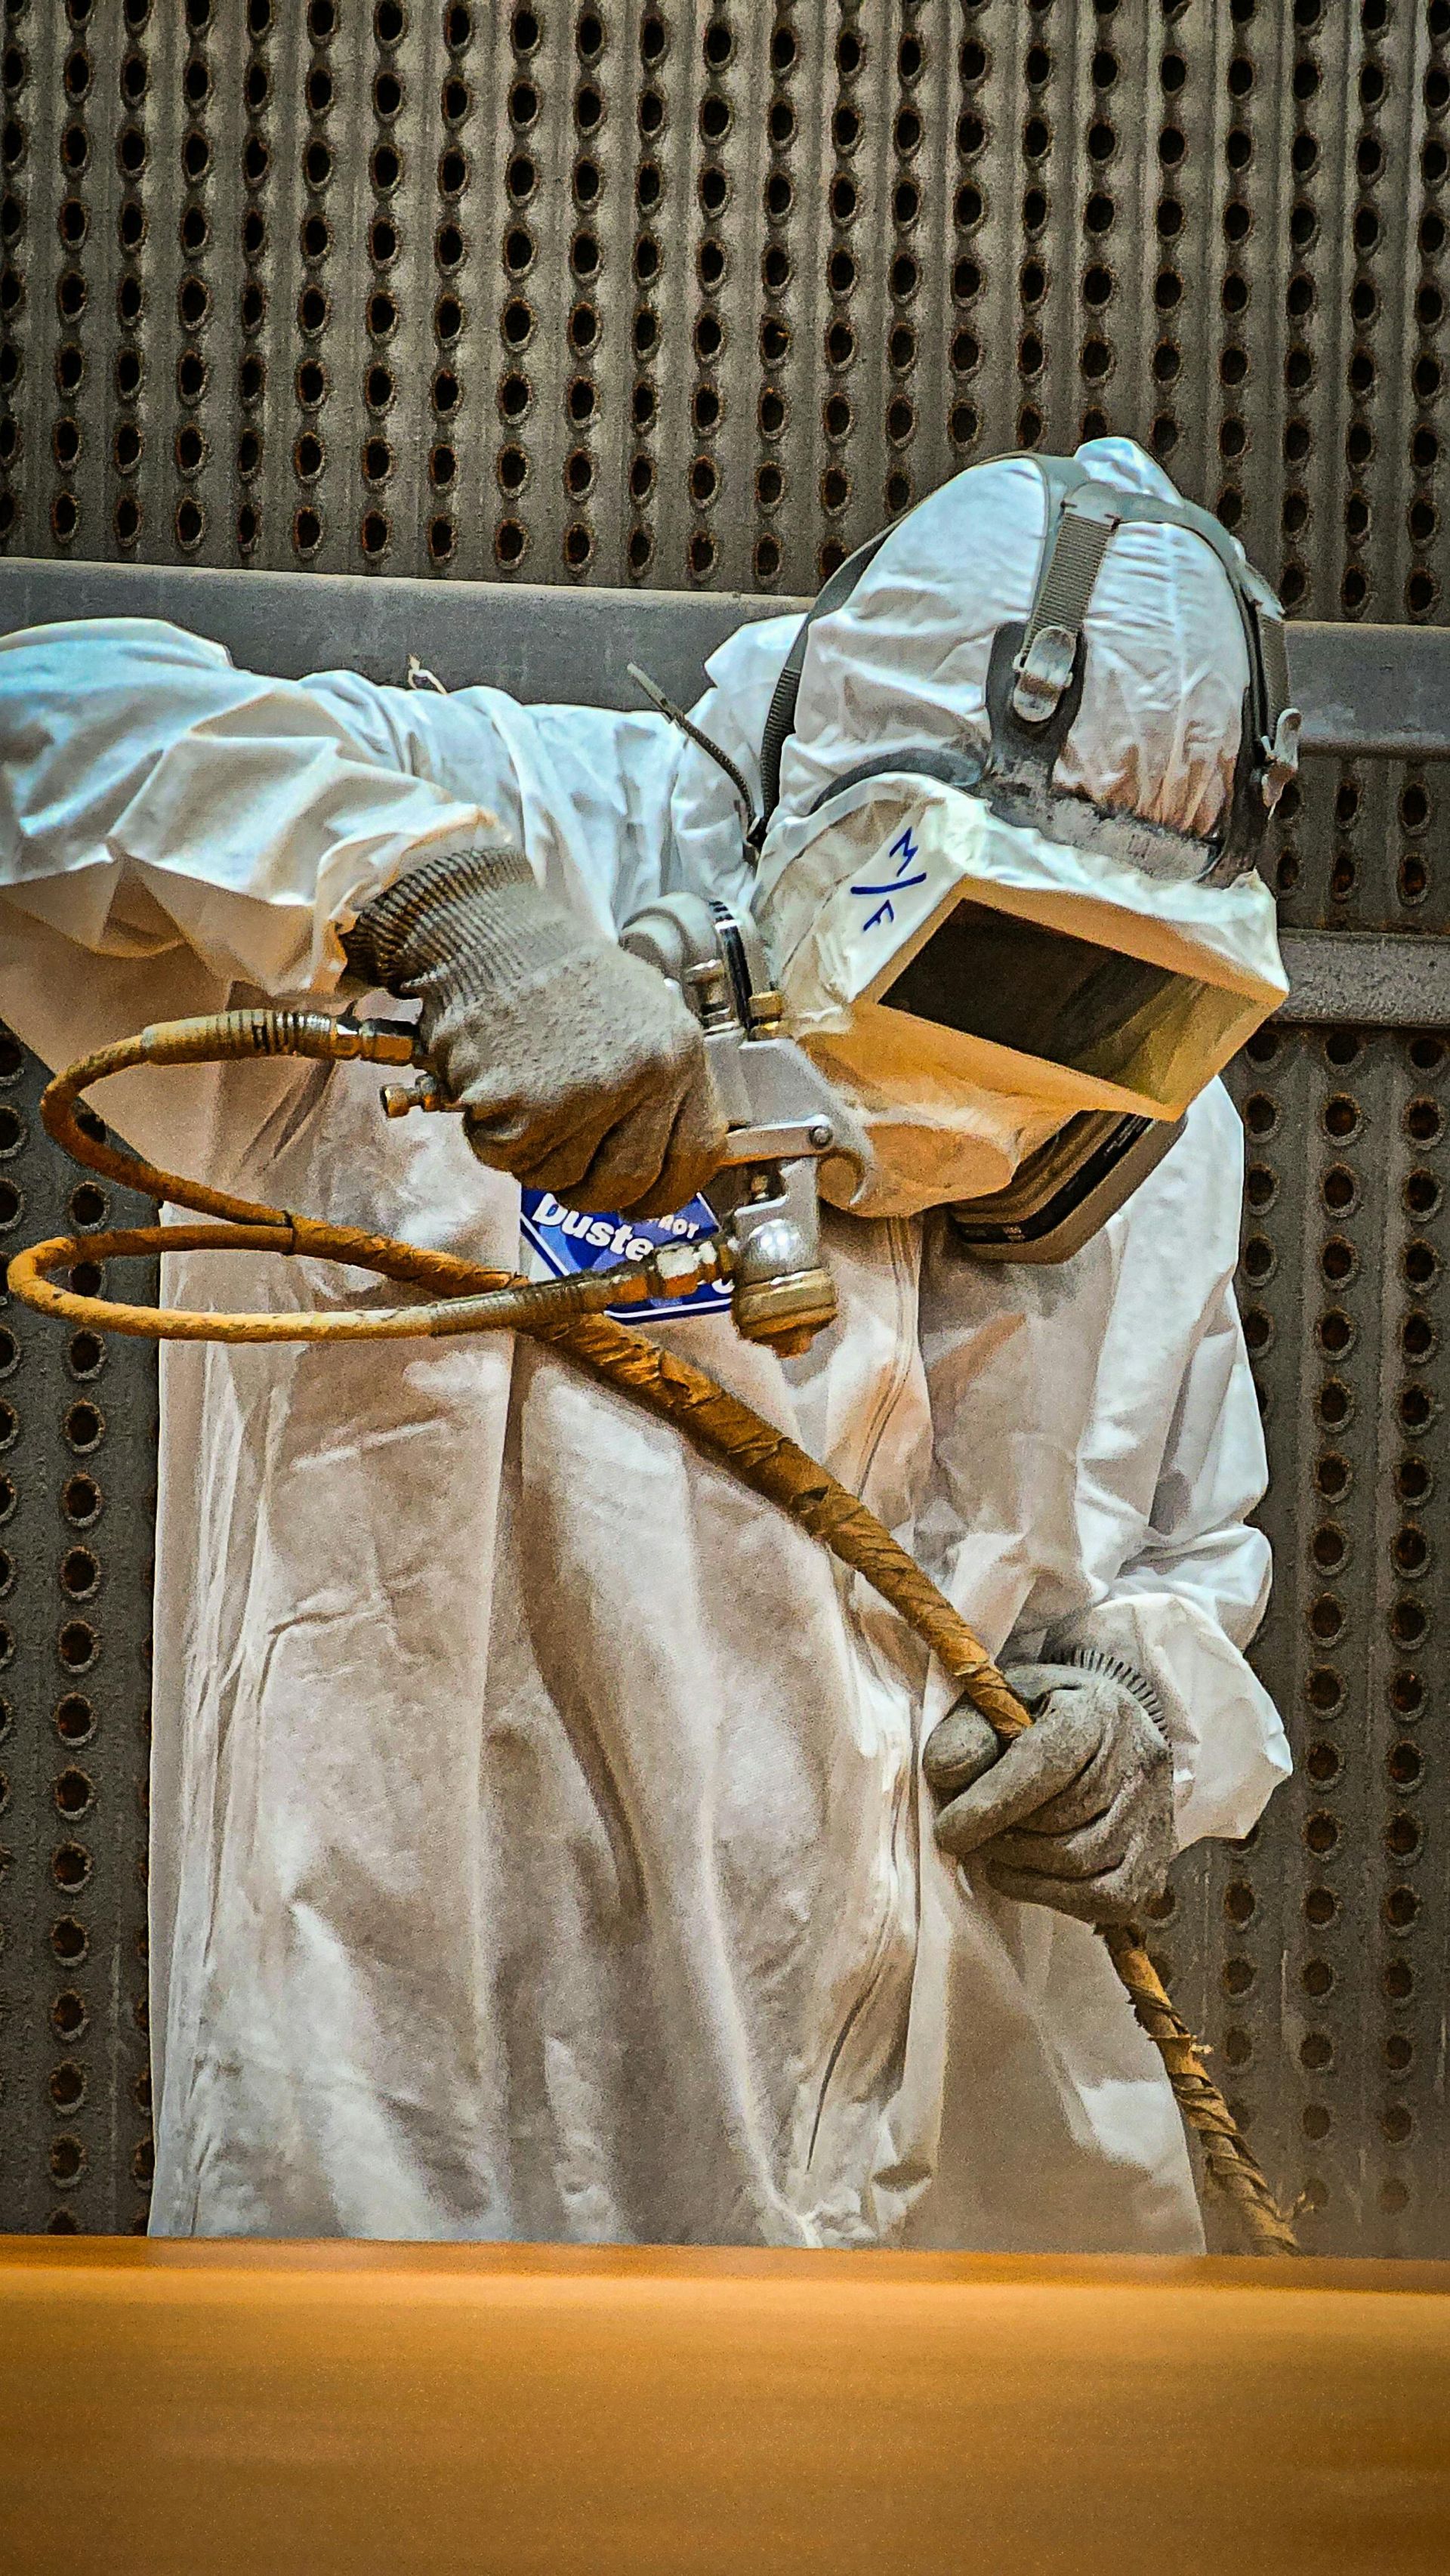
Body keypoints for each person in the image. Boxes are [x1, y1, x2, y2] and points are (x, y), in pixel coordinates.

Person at [0, 440, 1291, 2250]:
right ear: (837, 797)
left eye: (1119, 975)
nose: (1034, 1058)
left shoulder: (1152, 1088)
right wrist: (444, 912)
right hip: (460, 2160)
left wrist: (1139, 1717)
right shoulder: (505, 821)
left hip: (984, 2212)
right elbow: (39, 727)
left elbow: (1183, 1547)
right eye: (991, 946)